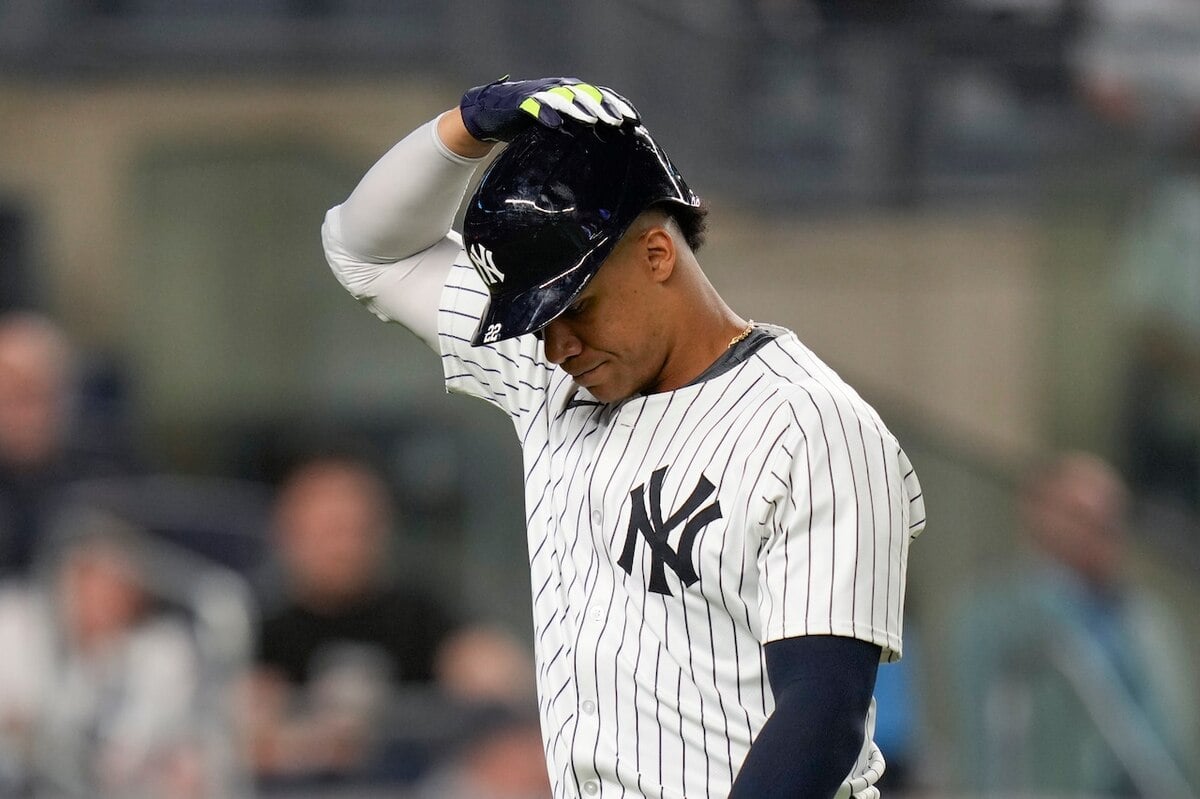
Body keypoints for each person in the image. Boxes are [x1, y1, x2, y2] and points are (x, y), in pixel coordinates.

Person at [321, 77, 927, 799]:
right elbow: (364, 252)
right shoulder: (551, 375)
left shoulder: (814, 425)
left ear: (656, 254)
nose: (556, 345)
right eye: (536, 321)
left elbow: (823, 711)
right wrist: (468, 125)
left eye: (573, 307)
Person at [950, 453, 1197, 796]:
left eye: (1112, 517)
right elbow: (984, 746)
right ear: (1038, 515)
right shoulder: (999, 617)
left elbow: (1172, 740)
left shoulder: (1146, 620)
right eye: (1083, 515)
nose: (1102, 530)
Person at [245, 453, 458, 783]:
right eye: (331, 531)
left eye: (358, 530)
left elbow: (487, 679)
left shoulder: (420, 616)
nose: (345, 547)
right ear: (289, 534)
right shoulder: (255, 628)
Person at [0, 508, 208, 797]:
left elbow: (132, 754)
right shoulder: (13, 620)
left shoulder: (162, 653)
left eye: (115, 584)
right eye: (89, 578)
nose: (100, 597)